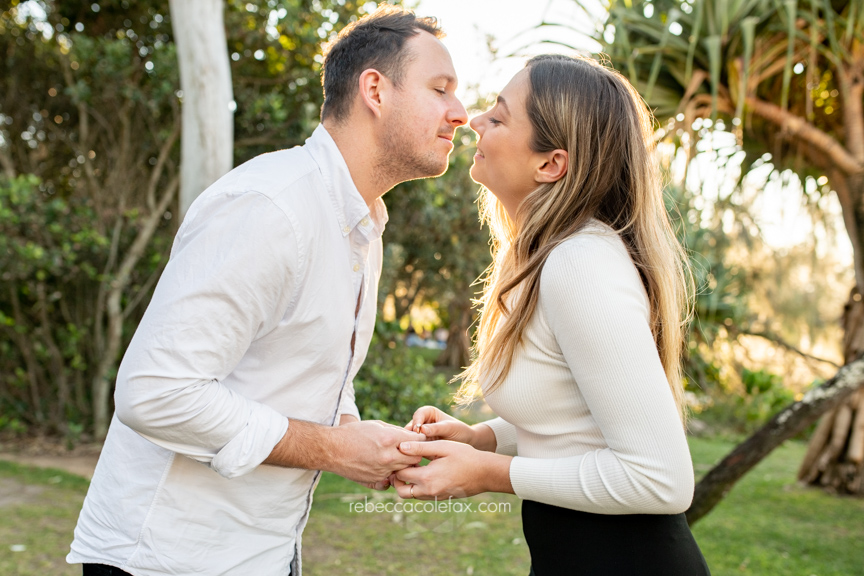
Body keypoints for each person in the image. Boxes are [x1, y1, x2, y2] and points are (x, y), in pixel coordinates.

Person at [66, 6, 467, 576]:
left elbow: (301, 369)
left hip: (267, 555)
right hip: (166, 560)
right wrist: (333, 450)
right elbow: (154, 392)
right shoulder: (269, 208)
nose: (461, 112)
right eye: (440, 89)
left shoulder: (363, 225)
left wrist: (358, 438)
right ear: (375, 90)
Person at [391, 54, 711, 575]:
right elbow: (574, 417)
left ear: (550, 164)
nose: (474, 121)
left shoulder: (580, 262)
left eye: (498, 117)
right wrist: (482, 438)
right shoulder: (549, 256)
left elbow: (661, 480)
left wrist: (490, 472)